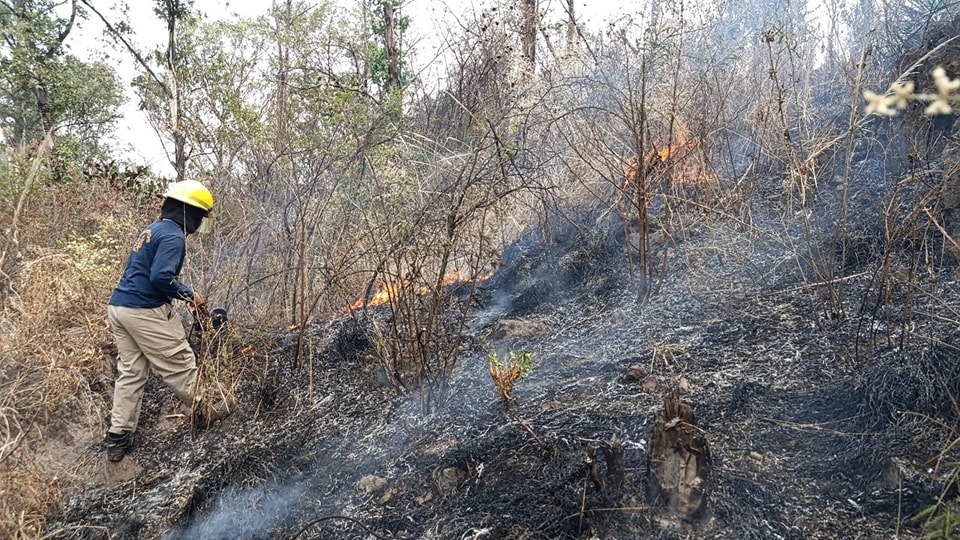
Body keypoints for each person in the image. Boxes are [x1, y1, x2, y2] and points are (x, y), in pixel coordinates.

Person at [104, 179, 223, 462]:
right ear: (189, 213)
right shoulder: (173, 236)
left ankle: (118, 437)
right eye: (199, 218)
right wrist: (189, 294)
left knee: (131, 373)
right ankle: (210, 410)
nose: (198, 225)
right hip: (144, 311)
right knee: (179, 363)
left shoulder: (153, 230)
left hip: (120, 307)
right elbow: (160, 278)